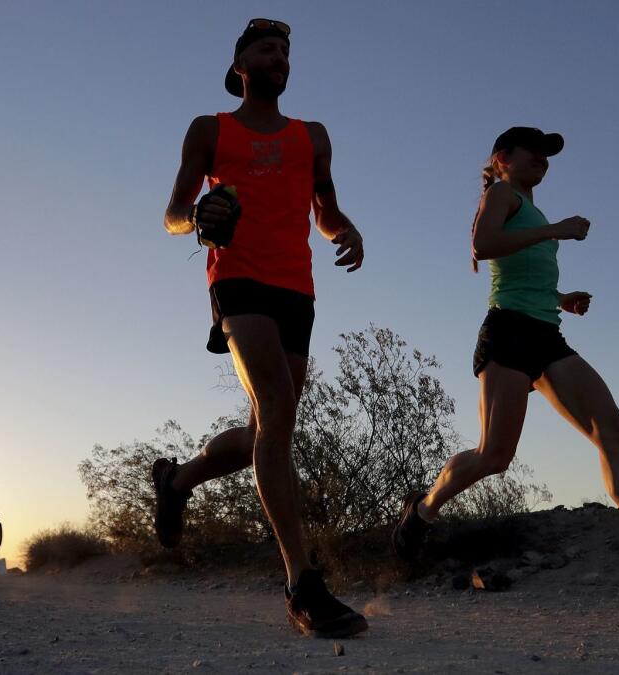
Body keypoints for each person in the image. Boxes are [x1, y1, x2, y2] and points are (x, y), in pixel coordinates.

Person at [392, 127, 619, 606]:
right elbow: (485, 244)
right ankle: (424, 508)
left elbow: (524, 273)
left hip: (546, 335)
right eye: (531, 150)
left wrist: (561, 298)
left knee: (613, 430)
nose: (542, 158)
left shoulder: (530, 209)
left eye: (547, 153)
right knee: (494, 456)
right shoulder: (501, 194)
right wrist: (556, 231)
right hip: (508, 333)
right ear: (501, 158)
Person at [155, 18, 368, 638]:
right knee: (276, 408)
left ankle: (179, 479)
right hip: (237, 278)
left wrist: (346, 230)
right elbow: (172, 214)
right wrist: (197, 215)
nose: (281, 57)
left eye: (286, 51)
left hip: (295, 288)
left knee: (262, 428)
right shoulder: (209, 130)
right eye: (267, 48)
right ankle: (303, 583)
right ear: (240, 64)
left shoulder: (313, 136)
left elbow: (325, 210)